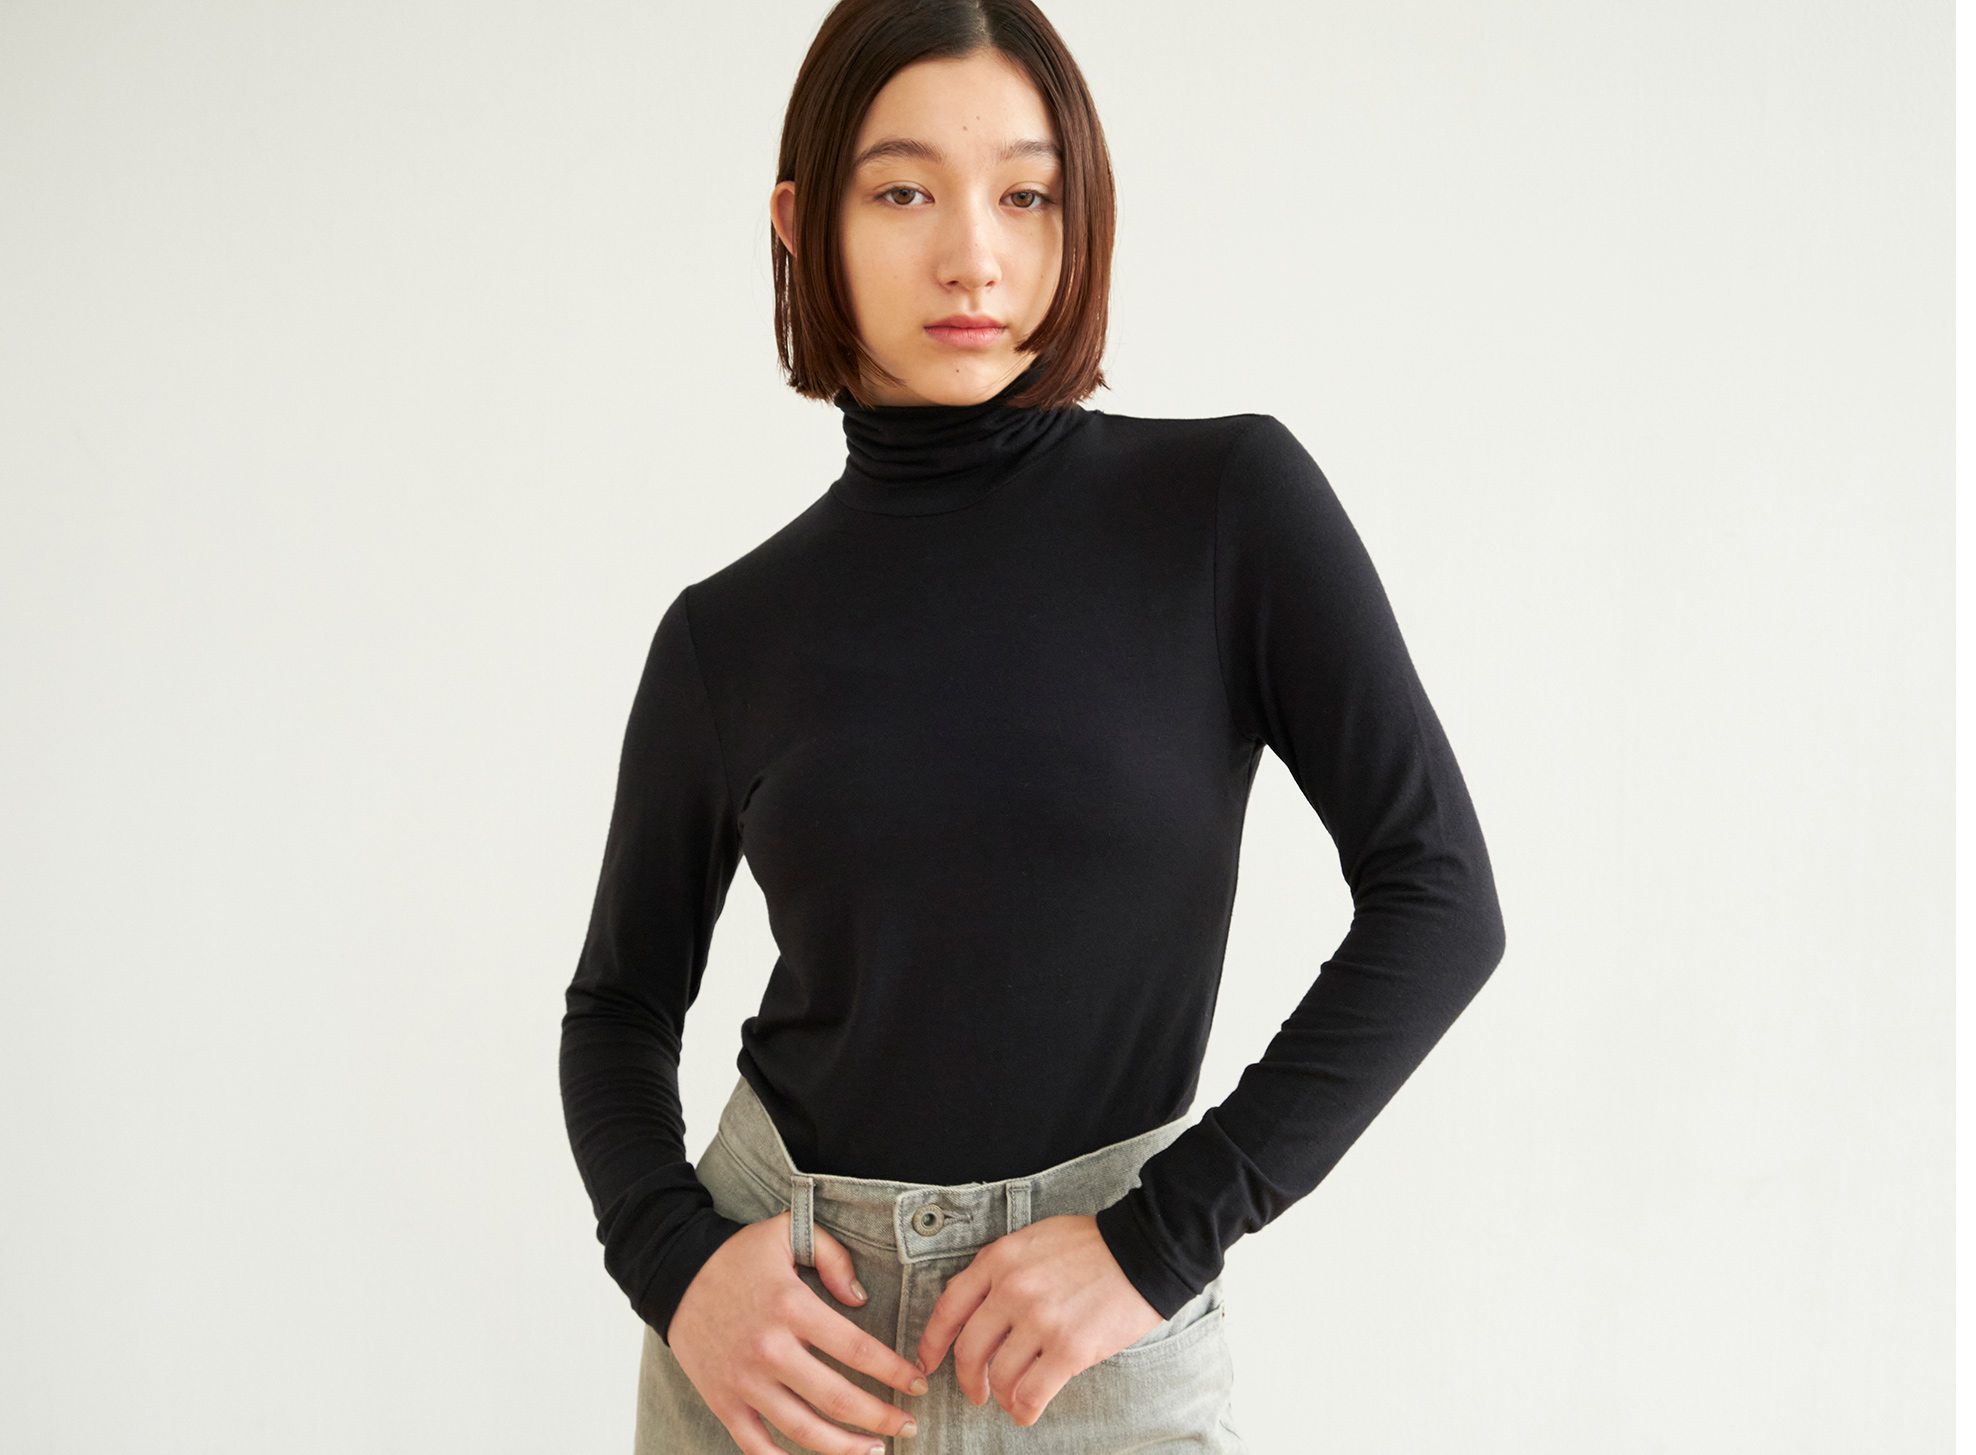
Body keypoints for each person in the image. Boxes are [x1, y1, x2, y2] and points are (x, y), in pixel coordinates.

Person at [559, 1, 1507, 1451]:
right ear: (801, 227)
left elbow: (1440, 900)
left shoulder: (1226, 513)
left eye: (1025, 195)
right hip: (789, 1341)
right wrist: (677, 1271)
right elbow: (620, 1010)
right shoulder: (725, 634)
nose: (973, 257)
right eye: (903, 193)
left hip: (1096, 1340)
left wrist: (1160, 1240)